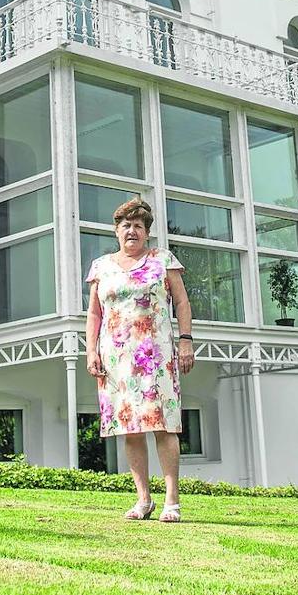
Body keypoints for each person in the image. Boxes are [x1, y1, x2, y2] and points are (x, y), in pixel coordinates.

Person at [85, 198, 194, 522]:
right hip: (116, 359)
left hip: (155, 356)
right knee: (130, 427)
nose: (131, 231)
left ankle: (171, 501)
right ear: (116, 231)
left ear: (146, 232)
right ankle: (143, 499)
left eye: (138, 226)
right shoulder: (101, 266)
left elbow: (182, 302)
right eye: (125, 226)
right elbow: (94, 313)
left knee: (163, 426)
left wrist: (186, 342)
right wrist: (91, 351)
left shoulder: (163, 260)